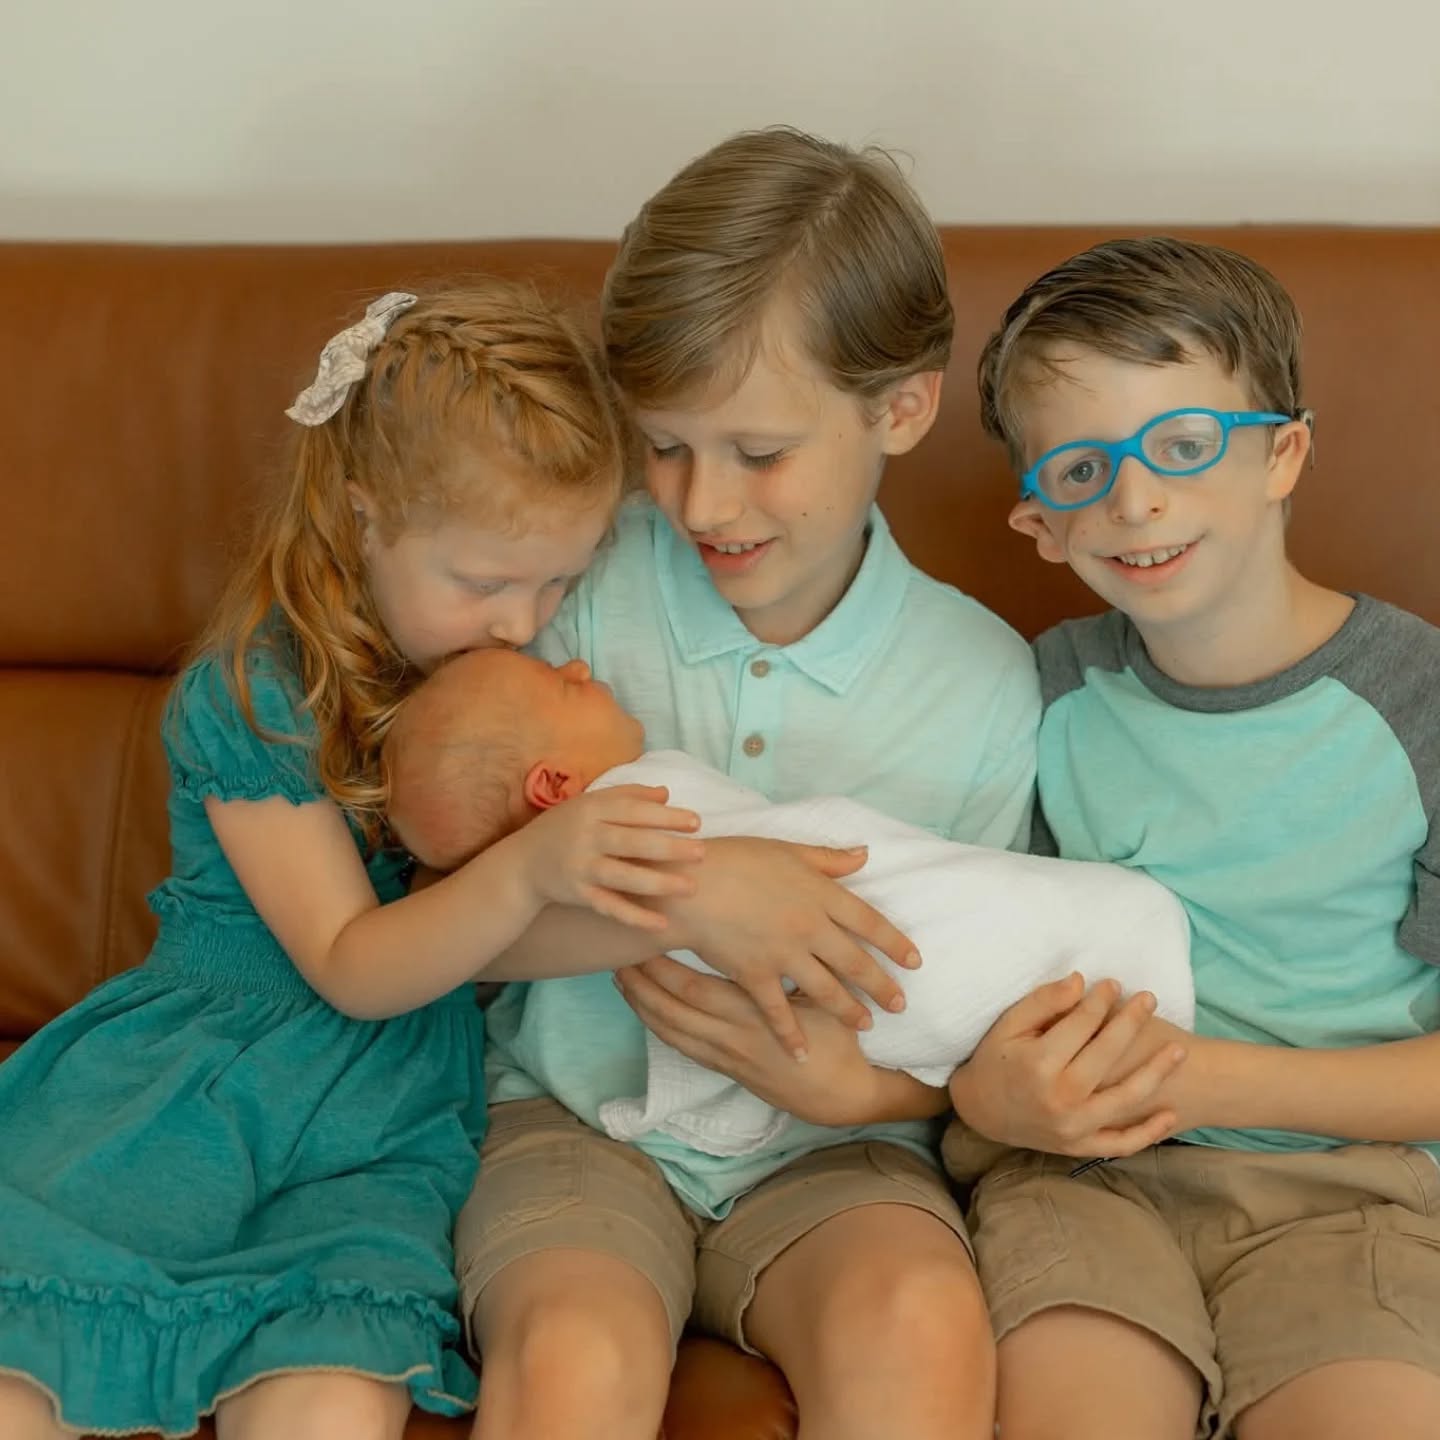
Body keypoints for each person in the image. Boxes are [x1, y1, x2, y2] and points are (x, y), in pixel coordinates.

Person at [0, 280, 705, 1440]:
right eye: (484, 583)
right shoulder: (253, 694)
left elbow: (507, 940)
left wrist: (704, 904)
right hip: (198, 1096)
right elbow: (354, 964)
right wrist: (532, 868)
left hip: (378, 1135)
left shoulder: (512, 695)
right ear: (363, 517)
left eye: (560, 581)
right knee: (35, 1361)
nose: (524, 623)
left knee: (332, 1396)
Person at [457, 126, 1045, 1440]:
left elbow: (975, 1020)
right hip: (572, 1123)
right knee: (571, 1356)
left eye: (760, 451)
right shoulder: (573, 590)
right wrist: (686, 897)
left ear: (900, 410)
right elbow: (452, 926)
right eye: (664, 446)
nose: (702, 503)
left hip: (838, 1150)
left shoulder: (984, 689)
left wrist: (865, 1096)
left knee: (920, 1325)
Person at [945, 236, 1440, 1440]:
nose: (1134, 503)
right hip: (1086, 1181)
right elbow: (961, 970)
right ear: (1041, 522)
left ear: (1284, 455)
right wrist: (985, 1103)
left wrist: (1206, 1079)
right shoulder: (1038, 696)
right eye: (1082, 469)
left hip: (1353, 1190)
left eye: (1182, 446)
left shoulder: (1418, 701)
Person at [384, 644, 1194, 1157]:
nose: (577, 667)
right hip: (852, 988)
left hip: (865, 1003)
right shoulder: (625, 811)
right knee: (962, 950)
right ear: (555, 786)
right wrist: (695, 893)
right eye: (557, 687)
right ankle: (1104, 949)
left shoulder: (978, 673)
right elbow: (452, 925)